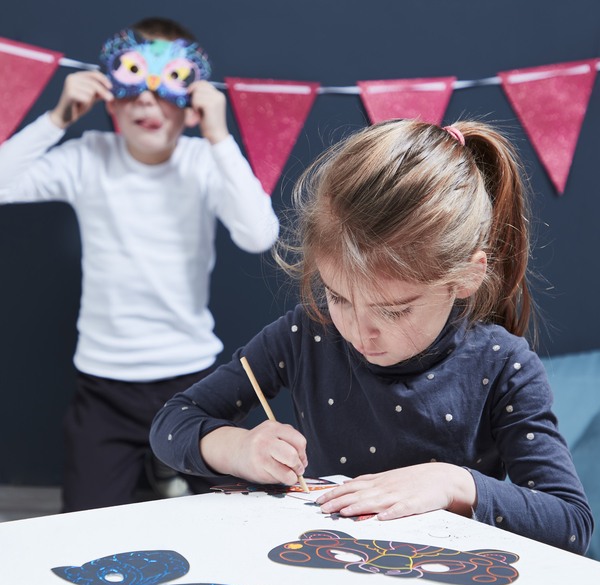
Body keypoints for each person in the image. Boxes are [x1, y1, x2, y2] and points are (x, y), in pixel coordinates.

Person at [149, 119, 593, 554]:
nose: (361, 332)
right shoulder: (309, 332)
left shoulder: (503, 365)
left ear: (467, 277)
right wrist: (240, 448)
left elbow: (571, 523)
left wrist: (455, 483)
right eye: (338, 297)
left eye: (394, 309)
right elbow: (174, 421)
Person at [0, 17, 279, 511]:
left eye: (167, 85)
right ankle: (158, 478)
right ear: (109, 97)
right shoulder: (89, 157)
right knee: (84, 528)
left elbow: (260, 234)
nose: (147, 100)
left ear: (193, 103)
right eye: (132, 84)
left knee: (239, 515)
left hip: (194, 380)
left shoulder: (200, 161)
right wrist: (57, 118)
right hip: (104, 385)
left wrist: (218, 136)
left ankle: (168, 475)